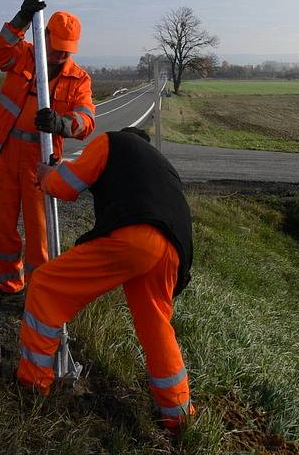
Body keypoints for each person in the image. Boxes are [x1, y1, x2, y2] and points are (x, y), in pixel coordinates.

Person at [17, 127, 194, 433]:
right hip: (173, 250)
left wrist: (47, 175)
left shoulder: (112, 142)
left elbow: (68, 185)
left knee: (45, 285)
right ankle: (179, 415)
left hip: (136, 236)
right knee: (156, 327)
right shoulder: (162, 165)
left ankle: (32, 385)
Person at [0, 0, 95, 306]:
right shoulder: (23, 53)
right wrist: (20, 18)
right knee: (2, 227)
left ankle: (37, 294)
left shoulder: (79, 80)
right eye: (57, 47)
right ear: (44, 36)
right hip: (4, 155)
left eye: (67, 50)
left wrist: (60, 123)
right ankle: (9, 285)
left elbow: (86, 121)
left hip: (40, 163)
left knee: (39, 236)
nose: (61, 55)